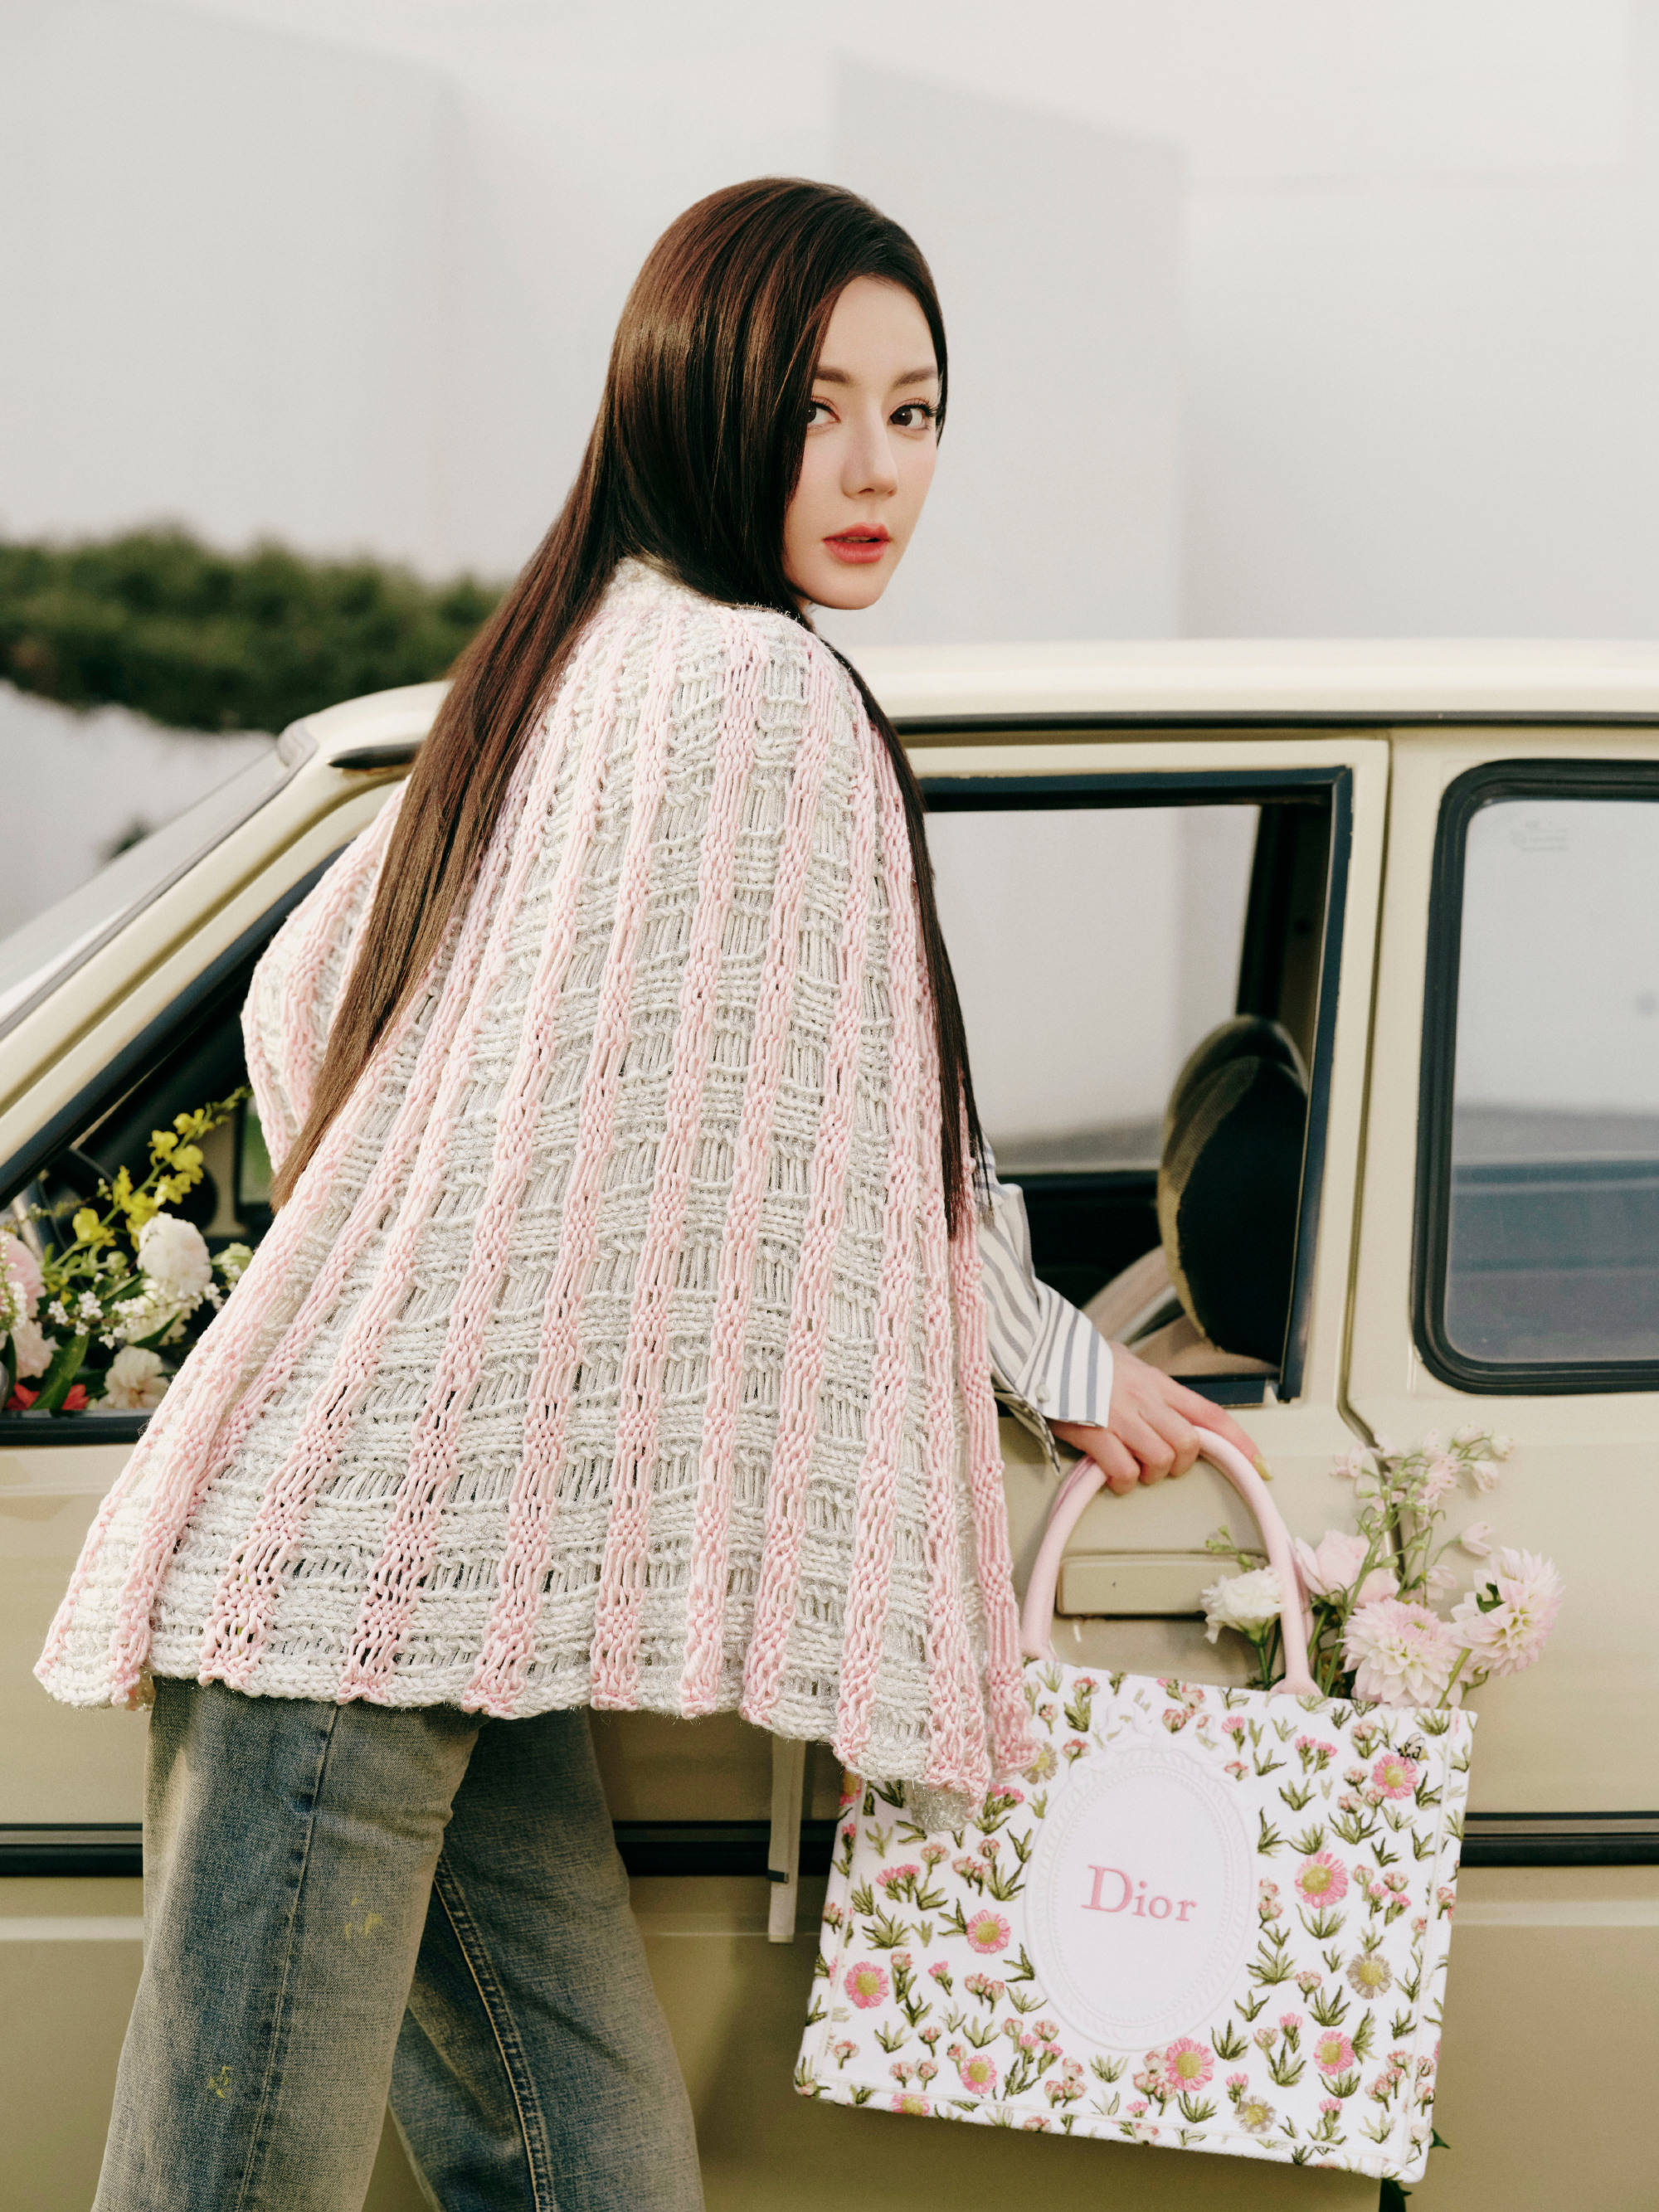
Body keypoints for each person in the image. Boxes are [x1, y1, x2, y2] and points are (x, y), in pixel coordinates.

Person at [37, 177, 1258, 2212]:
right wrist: (1059, 1363)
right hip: (353, 1588)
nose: (875, 470)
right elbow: (854, 1141)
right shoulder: (760, 698)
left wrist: (418, 1220)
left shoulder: (580, 649)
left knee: (594, 2173)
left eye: (915, 411)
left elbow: (302, 999)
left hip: (424, 1575)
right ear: (701, 400)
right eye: (815, 410)